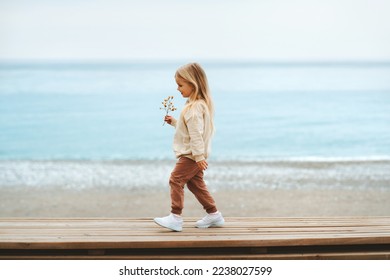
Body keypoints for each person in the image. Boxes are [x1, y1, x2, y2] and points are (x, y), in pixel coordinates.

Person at [154, 62, 224, 232]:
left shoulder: (193, 108)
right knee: (195, 184)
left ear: (193, 84)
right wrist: (175, 123)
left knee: (175, 179)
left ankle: (175, 217)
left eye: (180, 85)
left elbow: (196, 135)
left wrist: (198, 157)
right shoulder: (199, 105)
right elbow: (190, 129)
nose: (178, 89)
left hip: (191, 155)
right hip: (195, 154)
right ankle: (214, 214)